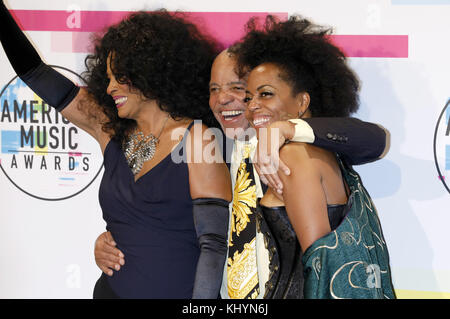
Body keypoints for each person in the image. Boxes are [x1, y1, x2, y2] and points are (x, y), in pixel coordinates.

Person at [95, 43, 391, 298]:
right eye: (213, 89)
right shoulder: (209, 144)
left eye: (239, 90)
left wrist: (287, 128)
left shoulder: (295, 149)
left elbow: (375, 140)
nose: (223, 99)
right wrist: (109, 240)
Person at [0, 2, 232, 299]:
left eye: (118, 77)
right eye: (107, 78)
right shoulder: (109, 128)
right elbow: (35, 71)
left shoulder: (198, 138)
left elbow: (214, 245)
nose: (109, 88)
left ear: (148, 71)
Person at [232, 15, 395, 298]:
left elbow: (321, 267)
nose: (252, 106)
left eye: (265, 94)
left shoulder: (294, 155)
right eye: (248, 98)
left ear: (302, 102)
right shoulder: (323, 152)